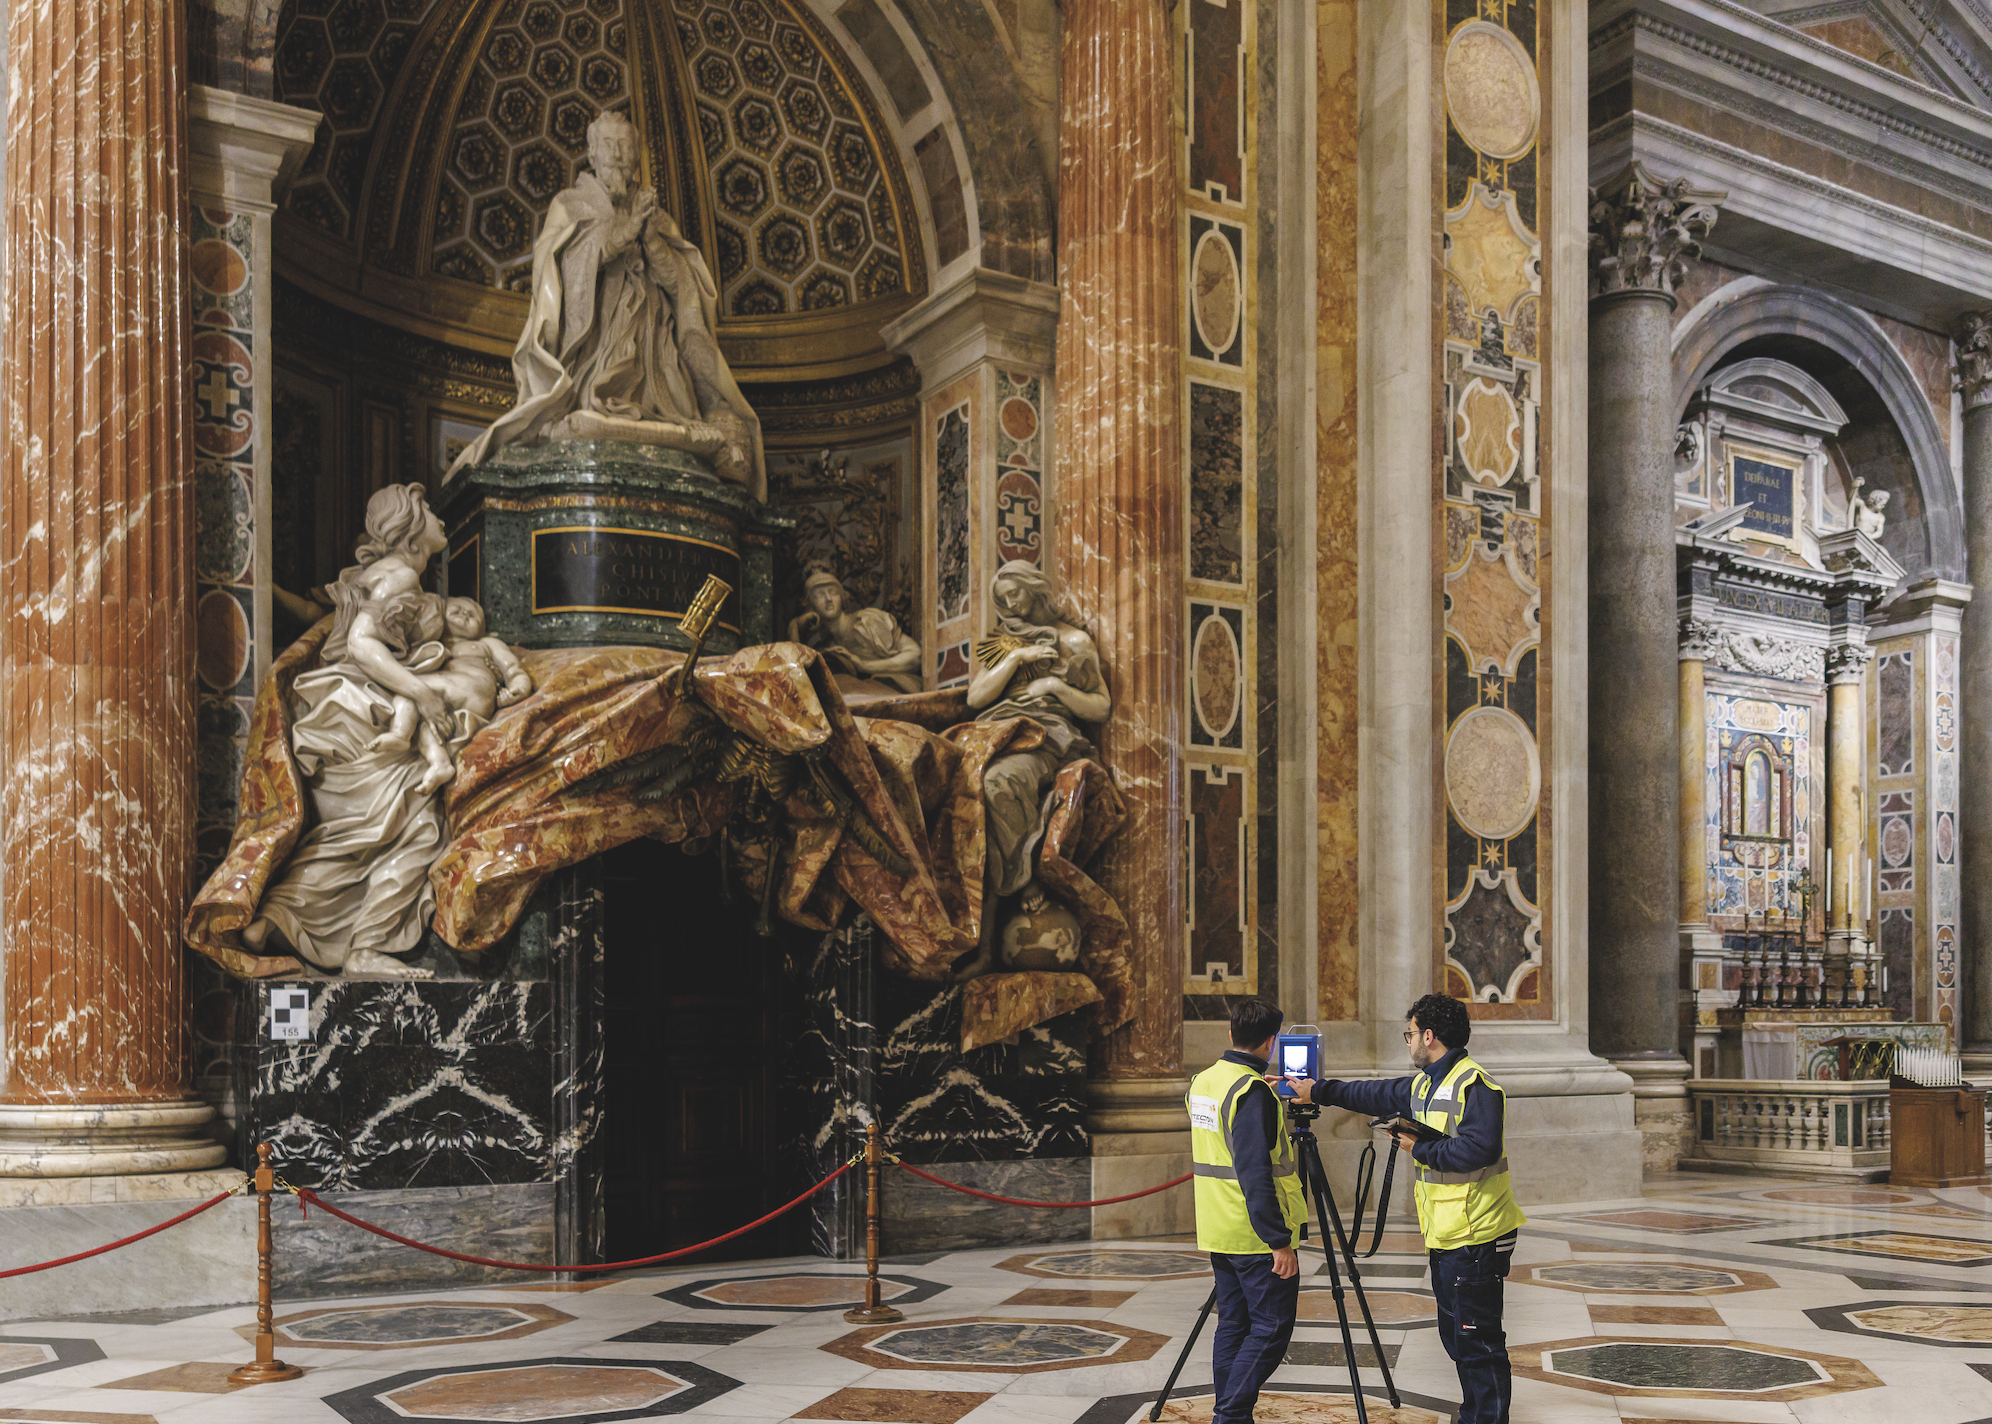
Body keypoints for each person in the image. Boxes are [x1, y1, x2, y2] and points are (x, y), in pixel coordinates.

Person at [1283, 993, 1526, 1424]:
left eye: (1410, 1033)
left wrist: (1423, 1148)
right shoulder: (1423, 1083)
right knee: (1458, 1338)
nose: (1408, 1041)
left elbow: (1481, 1148)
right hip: (1448, 1234)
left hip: (1477, 1235)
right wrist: (1316, 1090)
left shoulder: (1477, 1085)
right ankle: (1475, 1414)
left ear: (1428, 1036)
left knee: (1478, 1342)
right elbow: (1372, 1093)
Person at [953, 561, 1110, 979]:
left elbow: (1101, 705)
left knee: (999, 782)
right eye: (1001, 599)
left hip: (1045, 737)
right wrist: (1017, 657)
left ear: (1035, 590)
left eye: (1015, 594)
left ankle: (1026, 882)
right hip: (997, 733)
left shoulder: (1073, 641)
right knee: (964, 801)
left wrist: (1057, 687)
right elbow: (975, 698)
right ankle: (981, 946)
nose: (1009, 604)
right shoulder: (1003, 644)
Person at [1187, 996, 1309, 1424]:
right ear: (1272, 1042)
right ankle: (1230, 1414)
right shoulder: (1251, 1093)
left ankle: (1232, 1417)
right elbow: (1256, 1173)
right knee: (1272, 1329)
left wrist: (1262, 1089)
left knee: (1234, 1326)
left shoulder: (1203, 1081)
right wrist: (1280, 1240)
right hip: (1254, 1233)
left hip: (1218, 1228)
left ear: (1231, 1033)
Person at [367, 596, 536, 793]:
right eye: (457, 609)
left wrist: (517, 689)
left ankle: (400, 733)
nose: (465, 613)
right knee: (428, 725)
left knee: (410, 691)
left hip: (476, 688)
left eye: (473, 616)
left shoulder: (485, 643)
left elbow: (513, 669)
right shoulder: (434, 644)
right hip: (450, 698)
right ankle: (440, 763)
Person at [785, 565, 921, 694]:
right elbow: (799, 680)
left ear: (842, 598)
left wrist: (863, 665)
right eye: (819, 594)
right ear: (810, 605)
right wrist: (794, 626)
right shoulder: (827, 647)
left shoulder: (865, 621)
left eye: (833, 592)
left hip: (897, 689)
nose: (828, 599)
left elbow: (916, 656)